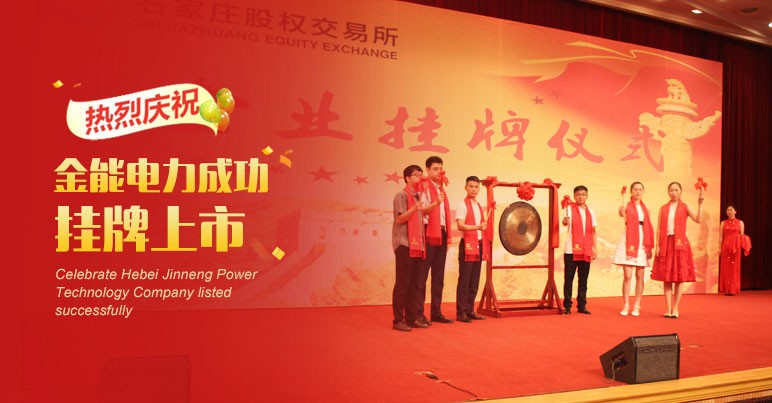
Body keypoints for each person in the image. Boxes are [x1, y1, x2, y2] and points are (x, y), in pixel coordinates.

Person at [651, 182, 703, 318]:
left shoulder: (685, 207)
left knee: (679, 278)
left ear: (680, 191)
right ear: (668, 192)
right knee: (667, 278)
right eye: (671, 190)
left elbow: (698, 219)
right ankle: (668, 308)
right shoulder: (663, 208)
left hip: (680, 244)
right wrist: (657, 245)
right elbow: (659, 228)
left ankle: (675, 308)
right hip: (666, 243)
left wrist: (700, 205)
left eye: (676, 190)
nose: (674, 192)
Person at [417, 156, 454, 324]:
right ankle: (418, 313)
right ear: (427, 169)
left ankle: (436, 312)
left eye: (440, 168)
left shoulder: (441, 189)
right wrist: (435, 203)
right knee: (422, 275)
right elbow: (420, 211)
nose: (439, 172)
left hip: (442, 233)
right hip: (429, 233)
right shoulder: (424, 186)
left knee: (438, 277)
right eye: (435, 169)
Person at [391, 165, 427, 332]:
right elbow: (399, 219)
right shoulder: (401, 195)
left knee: (414, 284)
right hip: (404, 244)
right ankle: (398, 320)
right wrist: (414, 208)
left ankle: (411, 318)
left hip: (417, 245)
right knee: (402, 284)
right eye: (416, 175)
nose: (419, 177)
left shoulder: (418, 196)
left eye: (420, 174)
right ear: (407, 178)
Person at [612, 182, 654, 317]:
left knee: (640, 276)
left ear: (643, 191)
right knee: (627, 275)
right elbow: (621, 214)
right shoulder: (626, 206)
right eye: (635, 189)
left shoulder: (646, 208)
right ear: (631, 191)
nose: (638, 192)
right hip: (628, 239)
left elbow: (648, 226)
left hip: (642, 240)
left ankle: (637, 305)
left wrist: (649, 245)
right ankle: (626, 304)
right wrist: (621, 211)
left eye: (640, 189)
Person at [455, 176, 487, 323]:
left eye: (476, 187)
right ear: (465, 188)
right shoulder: (462, 205)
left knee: (474, 280)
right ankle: (461, 312)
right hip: (467, 245)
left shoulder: (478, 206)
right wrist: (477, 227)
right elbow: (460, 226)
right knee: (465, 280)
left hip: (478, 244)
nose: (473, 189)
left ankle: (470, 310)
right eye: (471, 186)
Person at [562, 185, 597, 315]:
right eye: (578, 195)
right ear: (574, 196)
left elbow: (593, 231)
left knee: (583, 279)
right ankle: (567, 305)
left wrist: (595, 248)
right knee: (568, 279)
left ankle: (582, 305)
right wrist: (565, 221)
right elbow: (564, 222)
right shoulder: (569, 209)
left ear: (587, 196)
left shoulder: (591, 212)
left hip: (586, 250)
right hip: (571, 250)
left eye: (583, 194)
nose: (580, 197)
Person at [718, 205, 746, 296]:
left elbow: (742, 236)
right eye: (727, 210)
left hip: (736, 248)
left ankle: (733, 289)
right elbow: (721, 237)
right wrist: (719, 248)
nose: (729, 212)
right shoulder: (723, 223)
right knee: (726, 268)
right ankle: (726, 289)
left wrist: (740, 245)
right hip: (726, 247)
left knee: (734, 268)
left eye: (731, 210)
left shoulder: (740, 223)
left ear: (735, 211)